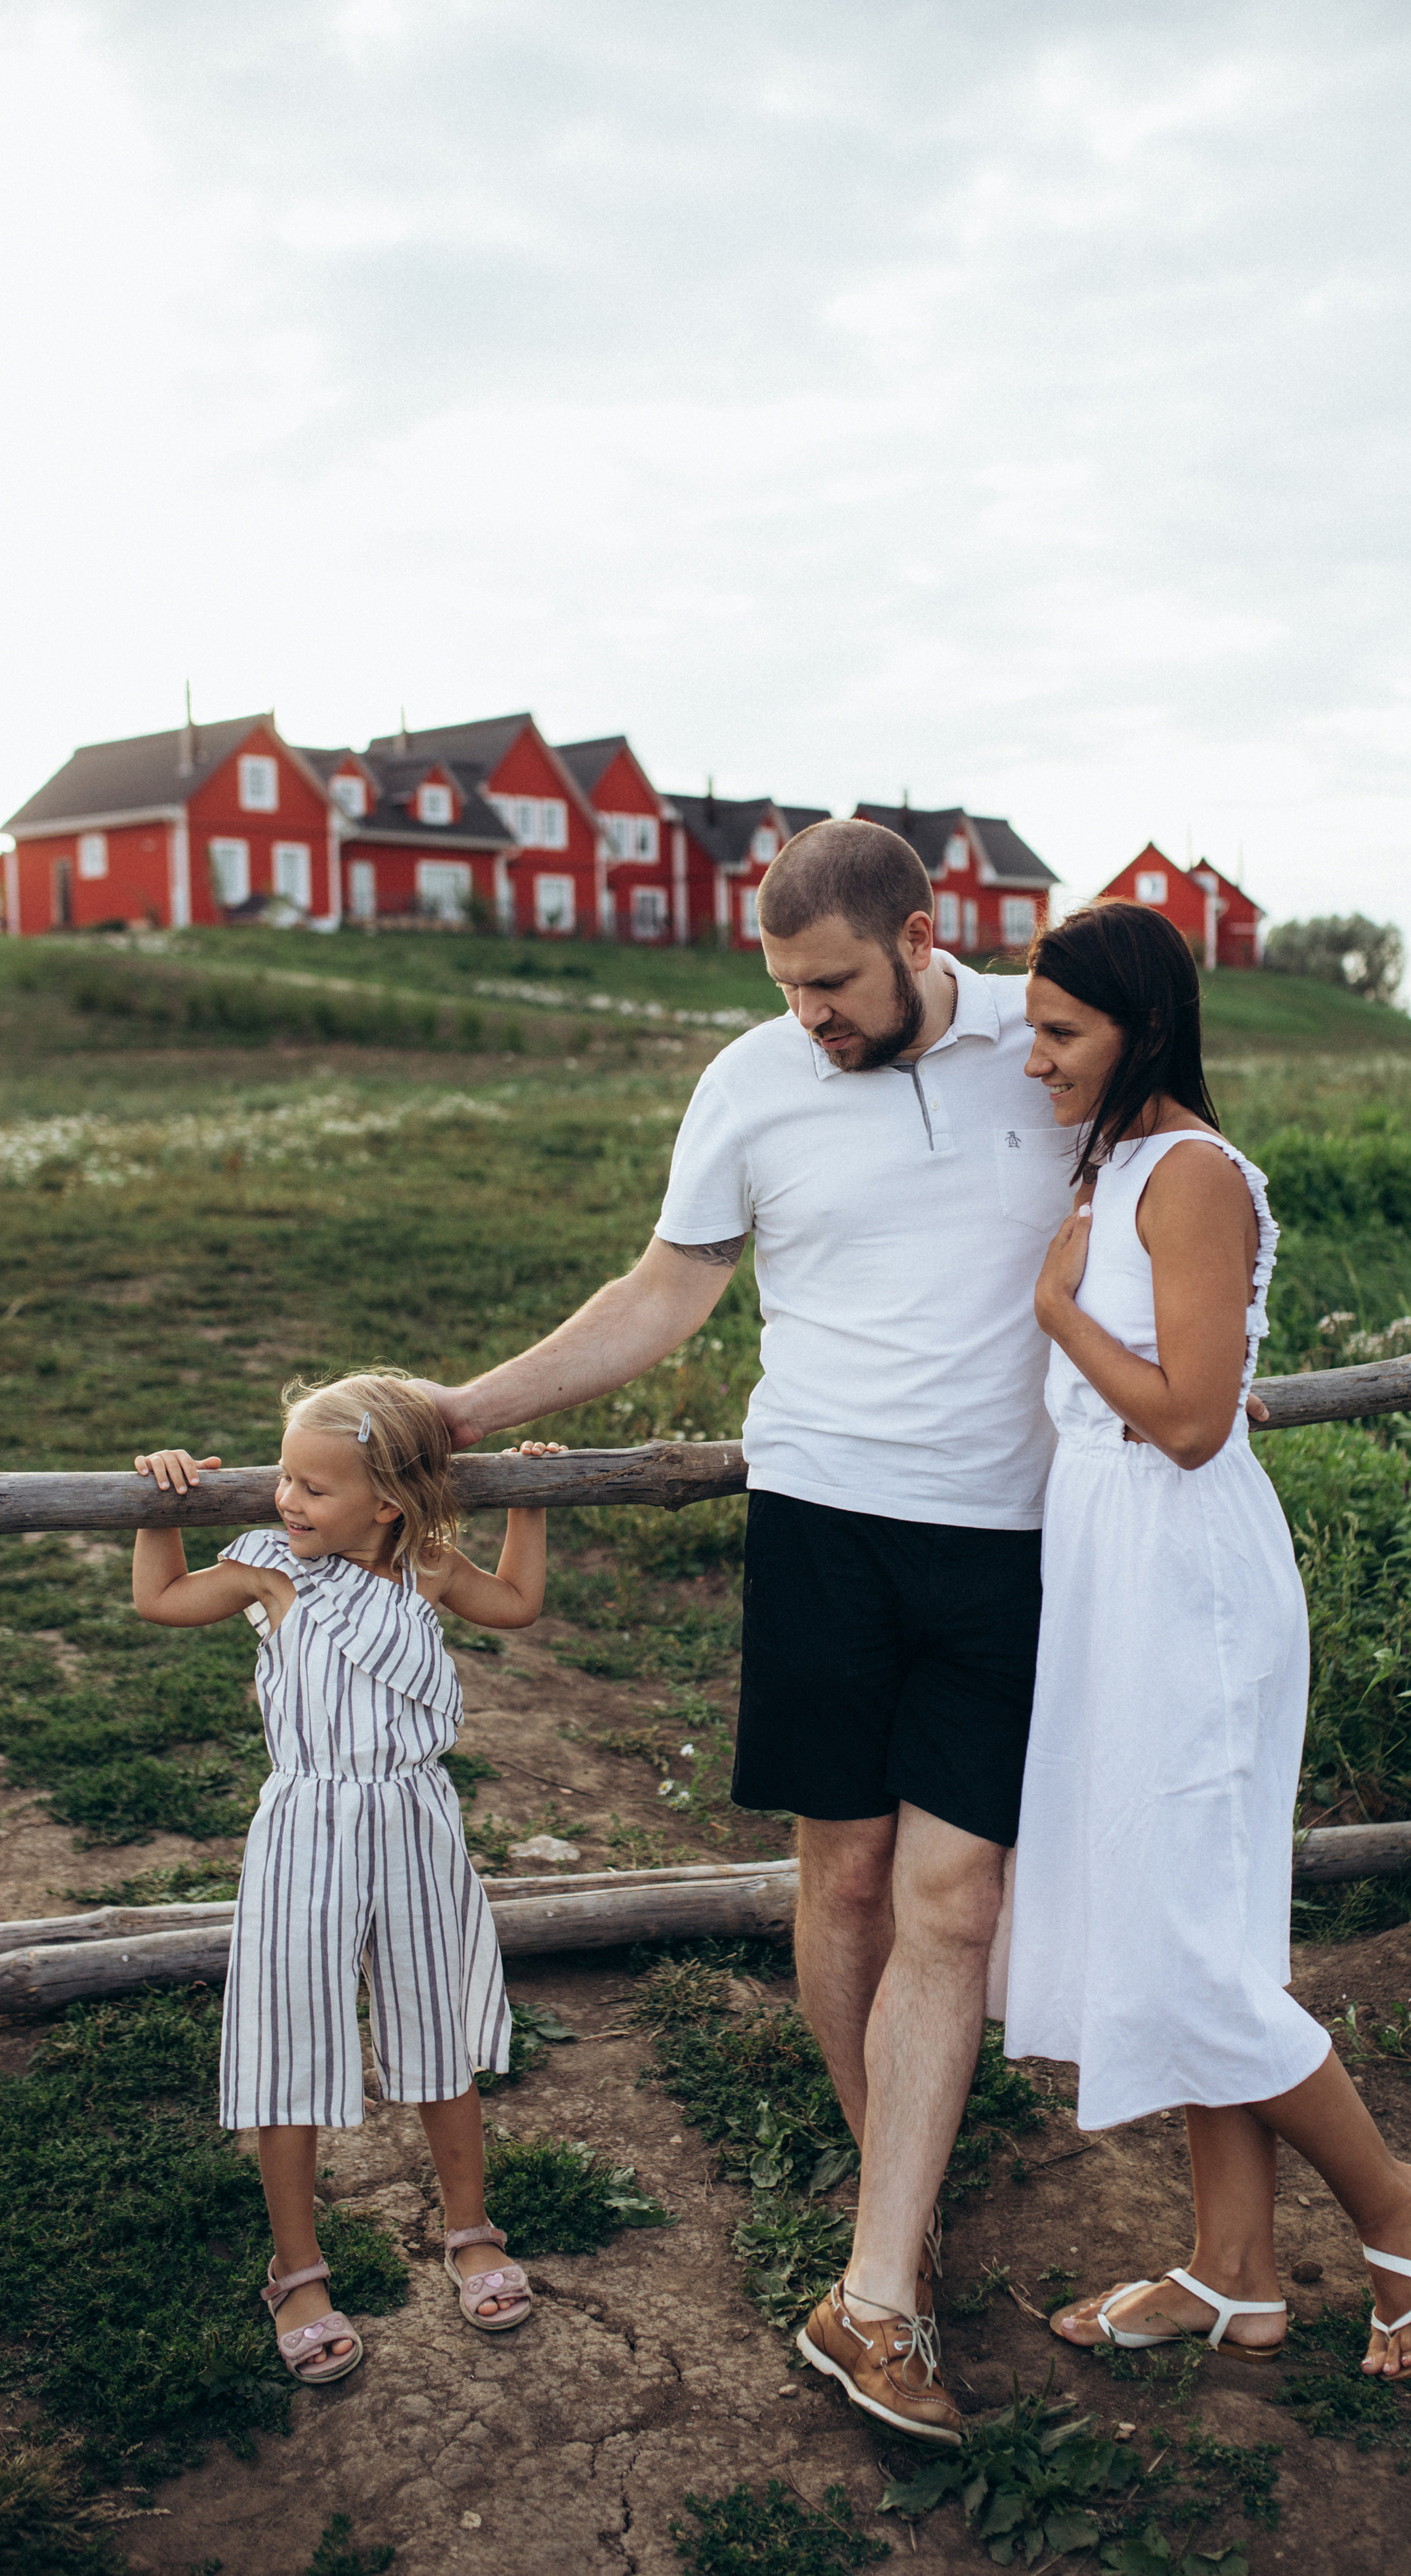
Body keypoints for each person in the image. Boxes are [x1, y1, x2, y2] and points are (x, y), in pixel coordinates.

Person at [419, 819, 1081, 2442]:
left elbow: (1168, 1201)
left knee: (956, 1895)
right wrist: (463, 1407)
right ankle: (895, 2229)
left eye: (834, 986)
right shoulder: (749, 1082)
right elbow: (665, 1291)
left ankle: (873, 2284)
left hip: (1007, 1544)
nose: (811, 1019)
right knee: (844, 1877)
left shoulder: (1041, 1051)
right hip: (821, 1531)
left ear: (926, 938)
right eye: (786, 990)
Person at [1003, 900, 1411, 2383]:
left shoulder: (1189, 1173)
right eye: (1027, 1024)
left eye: (1060, 1032)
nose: (1034, 1057)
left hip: (1182, 1579)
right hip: (1110, 1569)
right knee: (1172, 1921)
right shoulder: (1118, 1158)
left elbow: (1194, 1424)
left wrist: (1057, 1312)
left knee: (1195, 1948)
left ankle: (1400, 2209)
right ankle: (1233, 2275)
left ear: (1141, 1027)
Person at [132, 1374, 568, 2383]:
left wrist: (534, 1505)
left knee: (434, 2026)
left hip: (414, 1820)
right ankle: (298, 2268)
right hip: (305, 1830)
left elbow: (518, 1605)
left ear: (388, 1502)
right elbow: (159, 1600)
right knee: (292, 2038)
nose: (287, 1499)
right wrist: (160, 1505)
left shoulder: (425, 1570)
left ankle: (470, 2231)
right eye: (284, 1477)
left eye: (312, 1488)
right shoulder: (271, 1572)